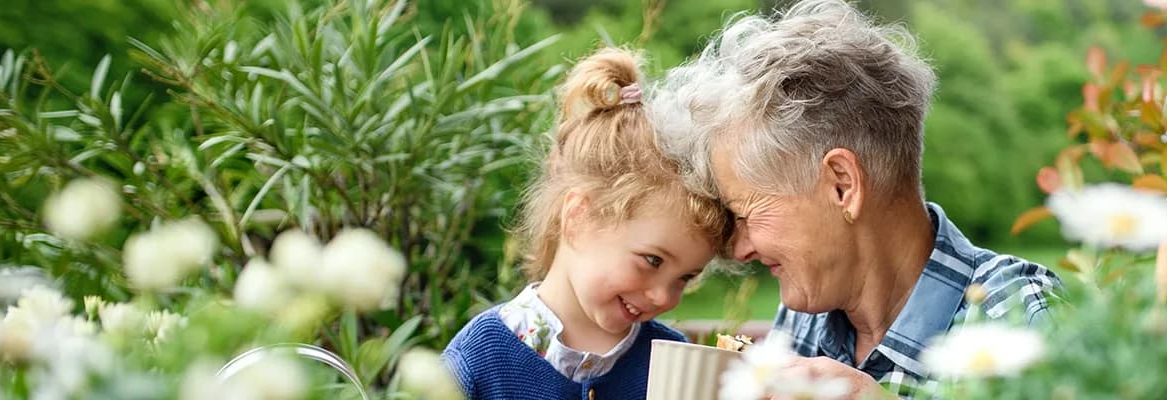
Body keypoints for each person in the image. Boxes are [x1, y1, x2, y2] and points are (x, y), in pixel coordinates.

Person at [649, 0, 1061, 397]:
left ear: (843, 186)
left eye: (745, 214)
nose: (740, 250)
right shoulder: (805, 318)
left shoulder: (1019, 317)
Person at [442, 48, 732, 399]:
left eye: (685, 278)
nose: (664, 296)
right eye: (652, 260)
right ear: (579, 217)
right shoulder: (479, 361)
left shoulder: (672, 364)